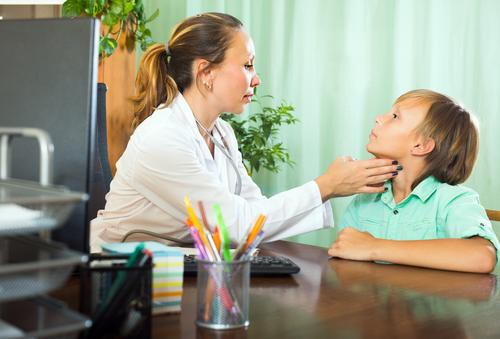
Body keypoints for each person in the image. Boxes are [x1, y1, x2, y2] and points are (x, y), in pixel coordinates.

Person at [90, 12, 400, 252]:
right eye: (247, 65)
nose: (257, 79)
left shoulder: (221, 133)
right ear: (206, 73)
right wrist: (326, 185)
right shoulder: (161, 138)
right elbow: (235, 226)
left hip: (181, 265)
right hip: (117, 272)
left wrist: (328, 186)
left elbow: (252, 214)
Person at [328, 89, 499, 273]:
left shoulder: (454, 200)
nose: (378, 118)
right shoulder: (365, 199)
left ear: (421, 145)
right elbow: (345, 252)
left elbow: (482, 257)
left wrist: (375, 247)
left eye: (394, 116)